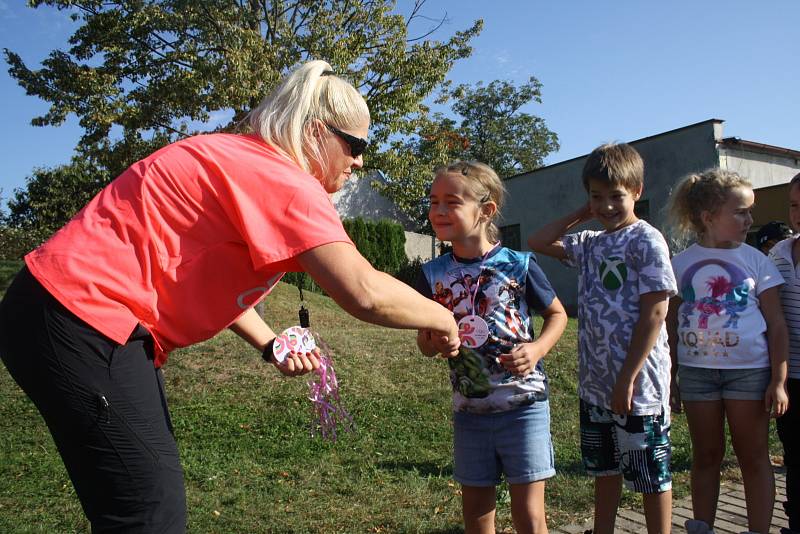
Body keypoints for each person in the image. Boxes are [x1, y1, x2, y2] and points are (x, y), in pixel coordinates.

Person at [0, 60, 461, 533]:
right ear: (317, 131)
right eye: (357, 145)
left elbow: (198, 273)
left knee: (137, 501)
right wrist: (443, 318)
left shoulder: (240, 157)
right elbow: (363, 290)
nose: (361, 161)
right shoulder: (285, 179)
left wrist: (269, 344)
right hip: (85, 318)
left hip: (55, 311)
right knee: (148, 512)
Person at [527, 143, 676, 534]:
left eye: (616, 197)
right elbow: (538, 242)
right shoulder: (590, 242)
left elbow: (656, 312)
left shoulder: (647, 240)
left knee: (650, 475)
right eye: (597, 197)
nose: (607, 206)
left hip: (638, 385)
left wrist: (628, 377)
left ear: (637, 192)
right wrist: (581, 214)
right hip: (596, 384)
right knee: (604, 470)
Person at [415, 161, 568, 534]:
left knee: (529, 517)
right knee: (477, 516)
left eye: (451, 202)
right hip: (470, 410)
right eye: (434, 202)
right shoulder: (431, 274)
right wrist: (435, 341)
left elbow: (558, 315)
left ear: (486, 210)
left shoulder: (519, 265)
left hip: (524, 406)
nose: (438, 211)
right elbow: (423, 342)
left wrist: (537, 350)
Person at [666, 168, 789, 534]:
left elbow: (778, 324)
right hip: (696, 374)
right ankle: (701, 527)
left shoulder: (758, 261)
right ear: (708, 218)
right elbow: (669, 327)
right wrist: (670, 376)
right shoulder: (680, 264)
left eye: (749, 211)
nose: (750, 219)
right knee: (706, 456)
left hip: (750, 373)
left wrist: (779, 380)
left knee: (753, 458)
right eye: (741, 212)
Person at [767, 172, 800, 534]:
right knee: (794, 456)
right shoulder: (778, 253)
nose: (798, 213)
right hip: (790, 375)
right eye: (794, 205)